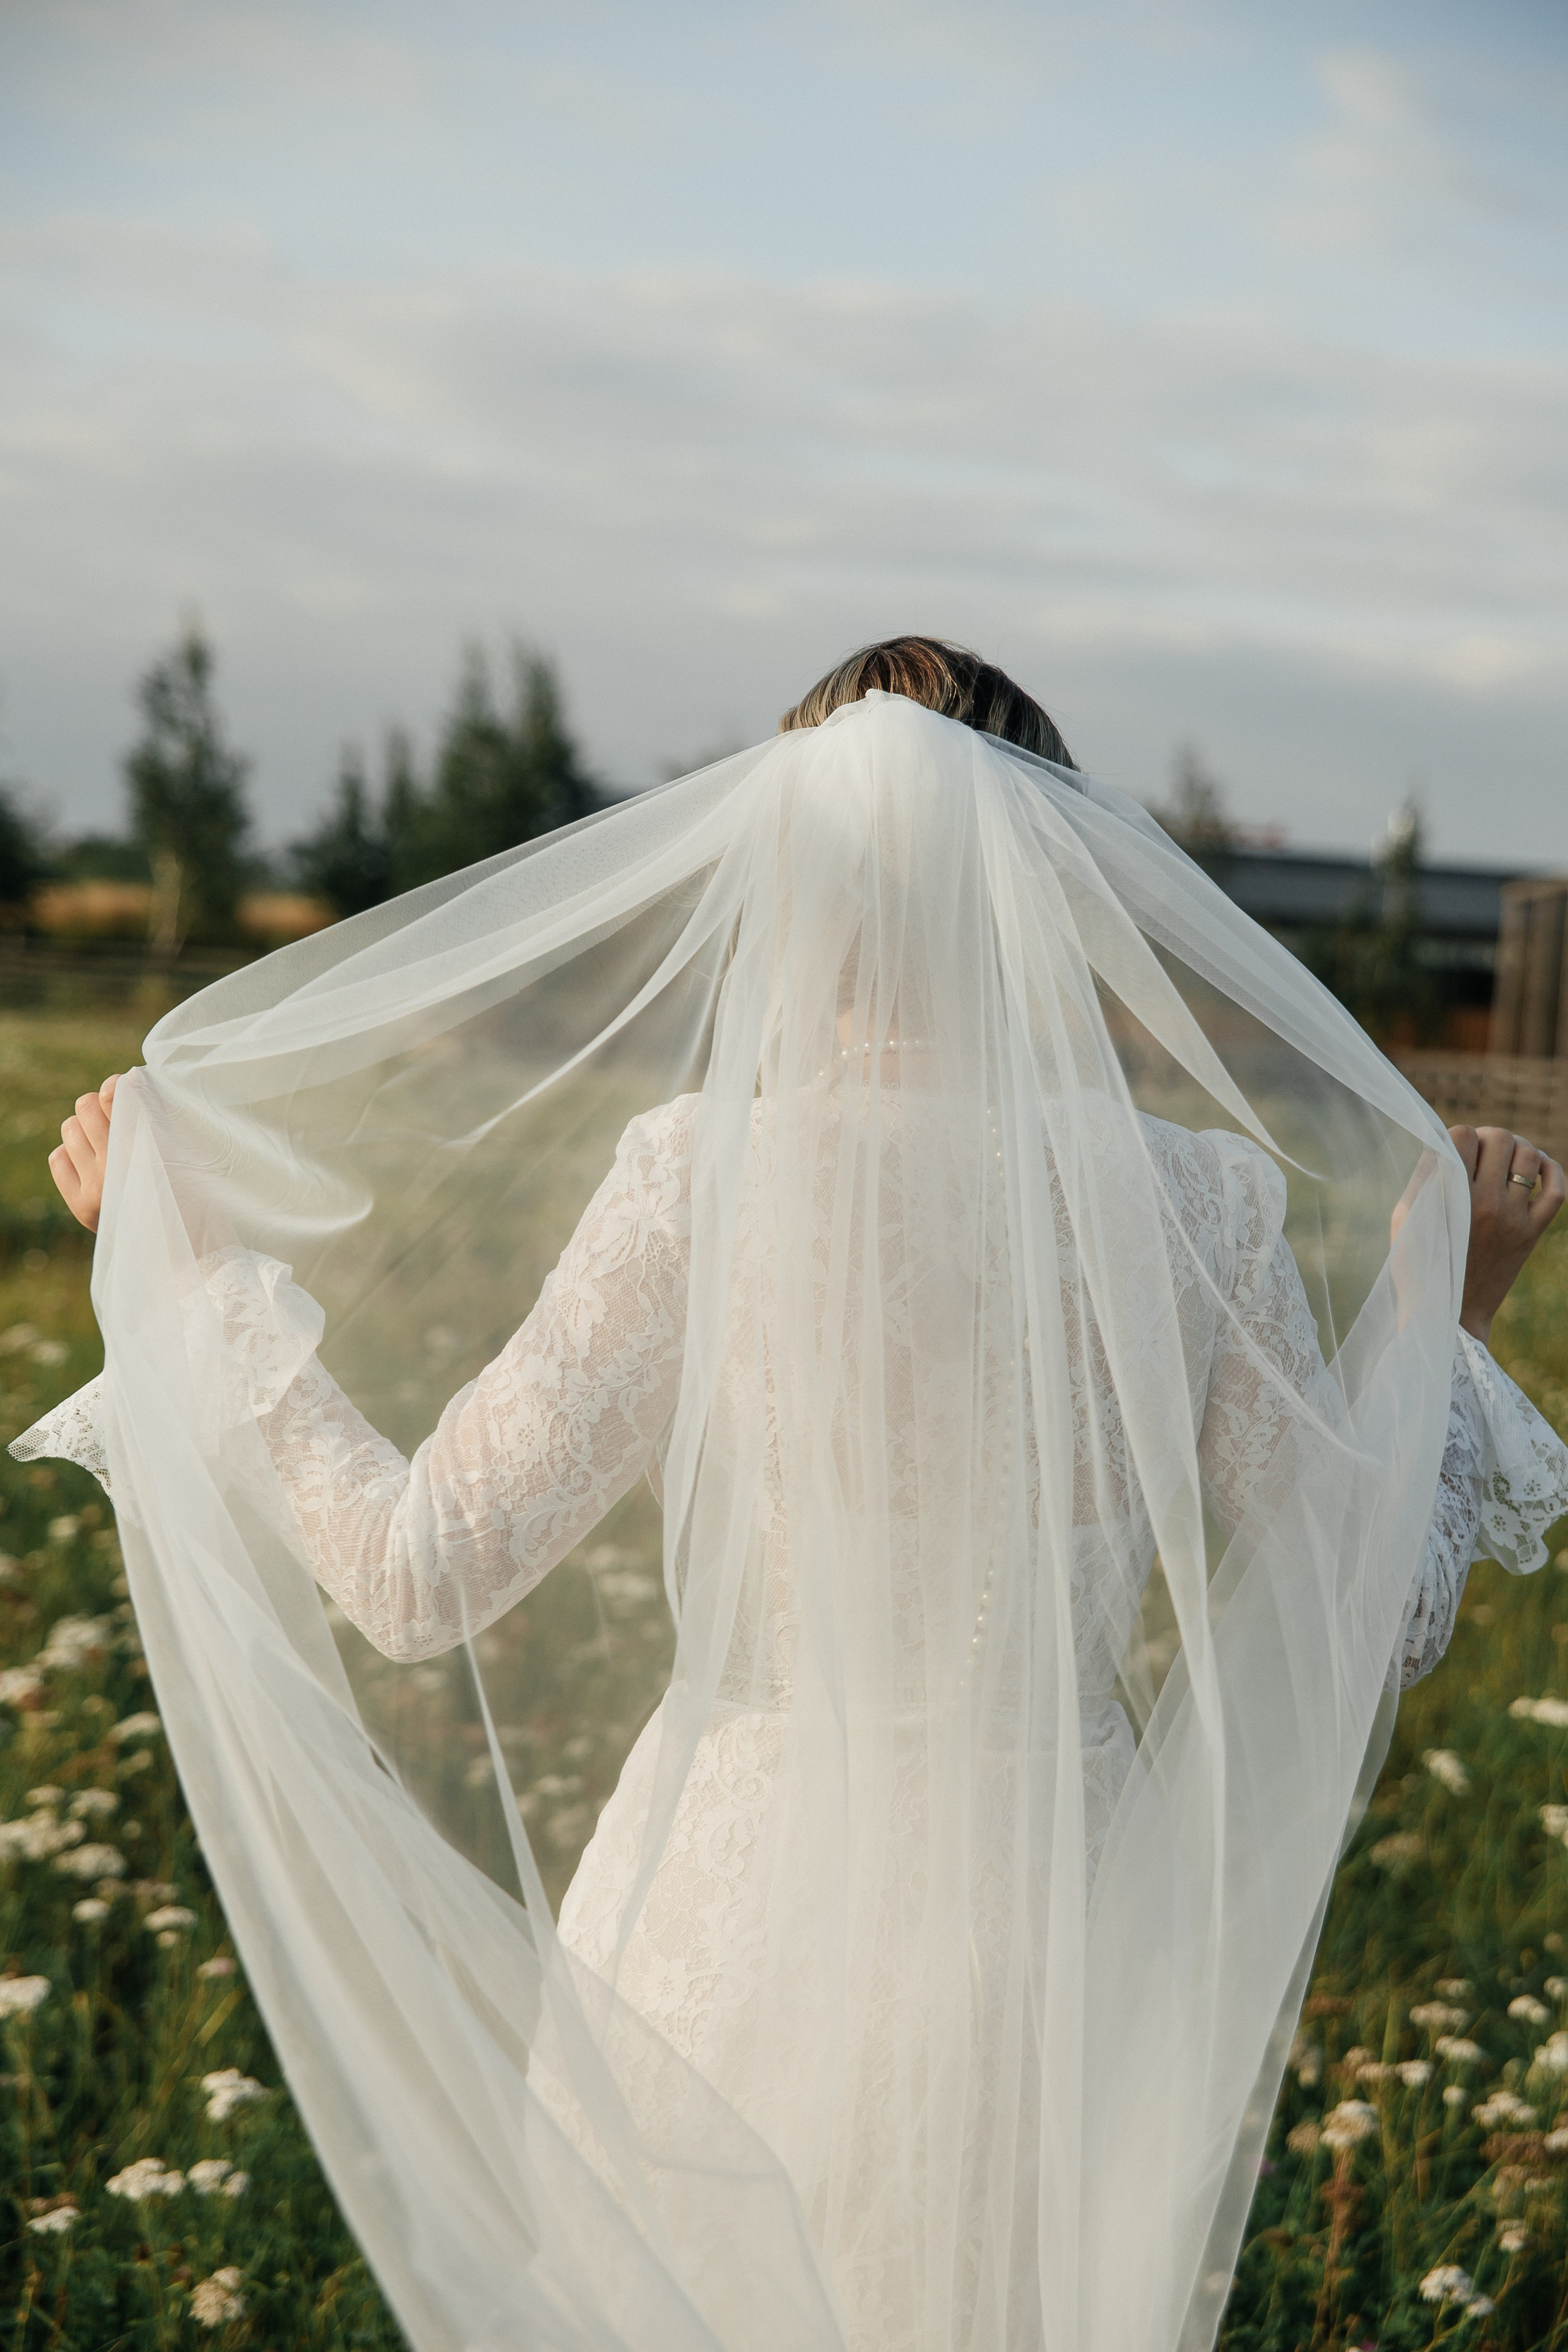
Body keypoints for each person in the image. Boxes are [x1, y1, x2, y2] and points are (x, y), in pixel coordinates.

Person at [20, 641, 1568, 2352]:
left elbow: (414, 1574)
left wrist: (197, 1290)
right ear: (1048, 880)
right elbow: (1362, 1617)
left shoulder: (705, 1176)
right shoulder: (1193, 1205)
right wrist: (1450, 1314)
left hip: (714, 1939)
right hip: (1058, 1945)